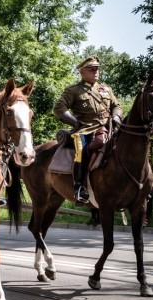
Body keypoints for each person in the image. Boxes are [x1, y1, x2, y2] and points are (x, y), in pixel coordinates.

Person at [53, 55, 123, 204]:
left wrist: (116, 117)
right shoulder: (74, 90)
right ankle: (79, 187)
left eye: (97, 69)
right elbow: (59, 108)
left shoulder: (106, 89)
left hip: (108, 127)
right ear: (82, 72)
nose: (95, 72)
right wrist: (75, 123)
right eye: (91, 69)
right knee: (81, 150)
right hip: (86, 130)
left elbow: (116, 106)